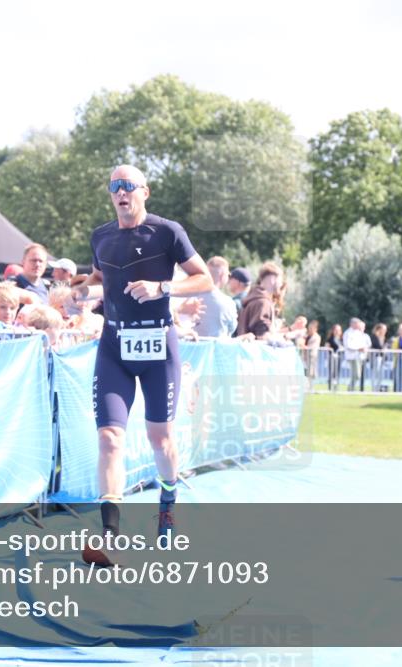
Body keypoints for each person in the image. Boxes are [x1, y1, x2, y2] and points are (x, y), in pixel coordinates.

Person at [72, 164, 212, 566]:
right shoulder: (101, 235)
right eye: (115, 186)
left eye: (128, 186)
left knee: (160, 439)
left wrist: (162, 288)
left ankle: (168, 502)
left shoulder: (167, 232)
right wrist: (76, 292)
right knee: (109, 438)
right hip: (114, 345)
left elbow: (205, 279)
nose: (121, 192)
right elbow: (98, 278)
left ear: (144, 192)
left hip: (157, 346)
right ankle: (110, 536)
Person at [235, 262, 283, 340]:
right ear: (272, 279)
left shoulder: (254, 299)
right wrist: (285, 338)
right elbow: (262, 335)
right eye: (280, 280)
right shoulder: (263, 302)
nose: (281, 284)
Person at [194, 256, 238, 338]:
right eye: (228, 274)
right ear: (222, 276)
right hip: (218, 345)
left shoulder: (190, 298)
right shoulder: (228, 302)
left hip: (191, 345)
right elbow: (232, 328)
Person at [343, 318, 371, 391]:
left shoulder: (358, 333)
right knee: (357, 375)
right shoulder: (348, 333)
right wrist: (359, 349)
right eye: (357, 324)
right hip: (352, 357)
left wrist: (363, 348)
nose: (358, 325)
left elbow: (362, 343)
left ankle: (351, 388)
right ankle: (350, 388)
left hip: (359, 356)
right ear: (352, 324)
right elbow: (348, 345)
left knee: (356, 375)